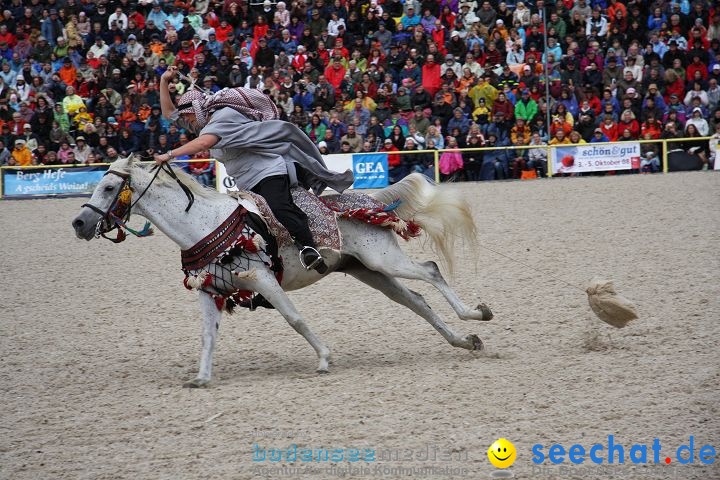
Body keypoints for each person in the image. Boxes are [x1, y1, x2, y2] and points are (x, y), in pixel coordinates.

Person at [155, 67, 353, 273]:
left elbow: (204, 142)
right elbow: (169, 114)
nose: (186, 121)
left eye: (188, 117)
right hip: (246, 183)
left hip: (268, 171)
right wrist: (163, 80)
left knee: (279, 207)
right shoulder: (202, 121)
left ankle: (309, 247)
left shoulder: (222, 117)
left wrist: (170, 155)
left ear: (196, 109)